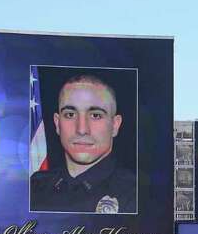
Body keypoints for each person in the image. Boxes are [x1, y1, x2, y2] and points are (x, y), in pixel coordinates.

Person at [30, 73, 136, 213]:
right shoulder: (35, 187)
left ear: (115, 125)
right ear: (57, 123)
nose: (81, 130)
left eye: (95, 115)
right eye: (70, 114)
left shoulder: (136, 193)